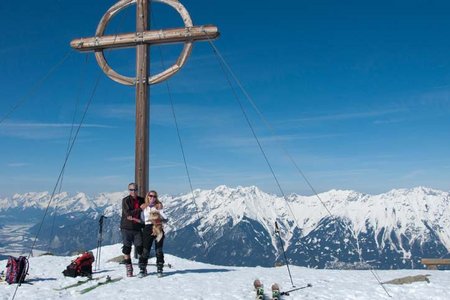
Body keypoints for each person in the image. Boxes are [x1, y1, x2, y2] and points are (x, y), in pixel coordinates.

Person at [138, 190, 168, 277]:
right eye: (151, 196)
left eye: (154, 196)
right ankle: (142, 269)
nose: (152, 198)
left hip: (158, 227)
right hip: (147, 228)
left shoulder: (158, 206)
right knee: (146, 250)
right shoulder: (144, 207)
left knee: (159, 249)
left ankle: (159, 269)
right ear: (147, 196)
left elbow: (166, 219)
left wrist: (160, 212)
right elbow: (142, 220)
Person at [120, 182, 145, 277]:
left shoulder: (141, 200)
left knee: (140, 248)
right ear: (128, 190)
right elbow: (128, 214)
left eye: (134, 189)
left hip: (137, 227)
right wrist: (139, 209)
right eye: (131, 189)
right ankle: (129, 268)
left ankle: (142, 267)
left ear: (137, 190)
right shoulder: (125, 200)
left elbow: (146, 210)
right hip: (126, 227)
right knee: (127, 248)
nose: (133, 191)